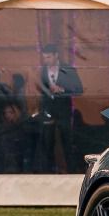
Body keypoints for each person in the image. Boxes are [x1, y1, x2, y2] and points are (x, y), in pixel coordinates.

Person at [33, 44, 82, 172]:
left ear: (56, 55)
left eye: (49, 57)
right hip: (48, 112)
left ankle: (72, 172)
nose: (46, 60)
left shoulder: (67, 69)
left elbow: (79, 89)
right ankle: (49, 174)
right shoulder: (42, 71)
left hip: (64, 112)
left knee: (67, 144)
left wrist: (63, 90)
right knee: (47, 144)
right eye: (44, 57)